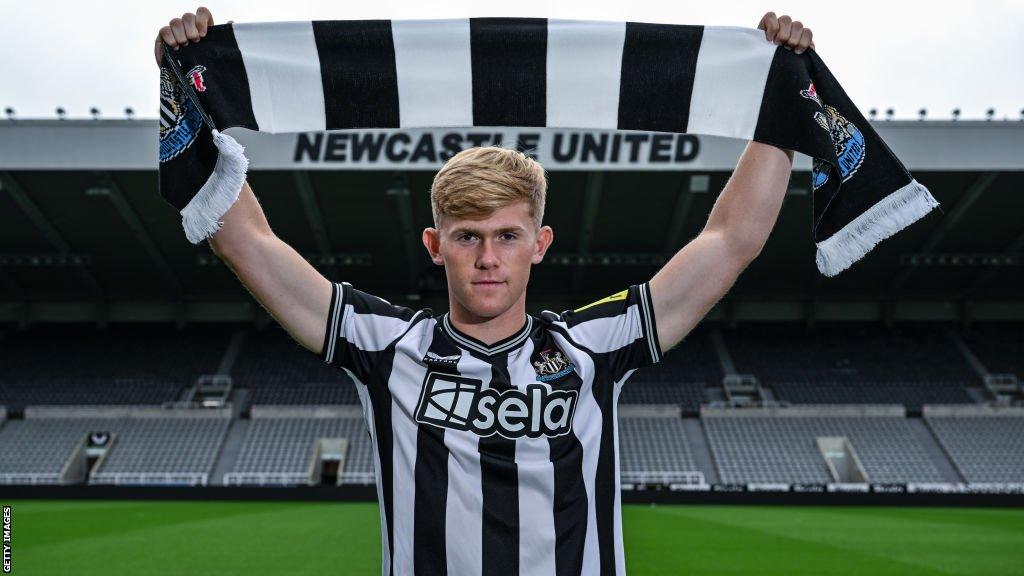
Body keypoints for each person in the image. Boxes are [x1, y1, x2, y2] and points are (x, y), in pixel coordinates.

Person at [157, 8, 813, 575]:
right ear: (435, 247)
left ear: (540, 243)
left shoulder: (593, 345)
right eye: (468, 237)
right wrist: (186, 95)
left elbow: (733, 238)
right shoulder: (387, 345)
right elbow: (245, 241)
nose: (489, 259)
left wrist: (780, 99)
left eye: (507, 236)